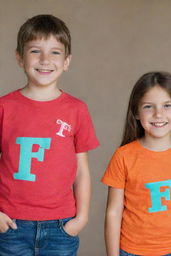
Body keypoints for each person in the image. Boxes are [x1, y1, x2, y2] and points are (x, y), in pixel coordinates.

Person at [0, 14, 99, 256]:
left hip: (60, 226)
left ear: (67, 61)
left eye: (55, 52)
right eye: (35, 50)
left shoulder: (76, 109)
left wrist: (82, 218)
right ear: (19, 58)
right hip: (11, 224)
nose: (45, 60)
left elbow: (82, 170)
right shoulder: (4, 107)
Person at [102, 71, 171, 256]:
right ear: (136, 113)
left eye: (167, 105)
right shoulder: (123, 156)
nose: (158, 114)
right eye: (148, 107)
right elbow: (113, 213)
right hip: (132, 251)